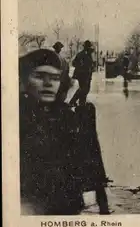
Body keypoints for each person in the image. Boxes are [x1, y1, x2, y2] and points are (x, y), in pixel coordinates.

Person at [19, 48, 110, 215]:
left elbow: (87, 171)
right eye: (39, 76)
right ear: (23, 80)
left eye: (55, 78)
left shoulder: (69, 119)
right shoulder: (17, 119)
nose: (48, 84)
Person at [69, 40, 94, 107]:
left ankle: (81, 102)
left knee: (85, 89)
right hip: (83, 75)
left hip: (86, 75)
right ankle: (73, 101)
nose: (89, 48)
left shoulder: (88, 54)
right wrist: (81, 66)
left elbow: (90, 64)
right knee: (84, 89)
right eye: (88, 46)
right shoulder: (82, 54)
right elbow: (74, 63)